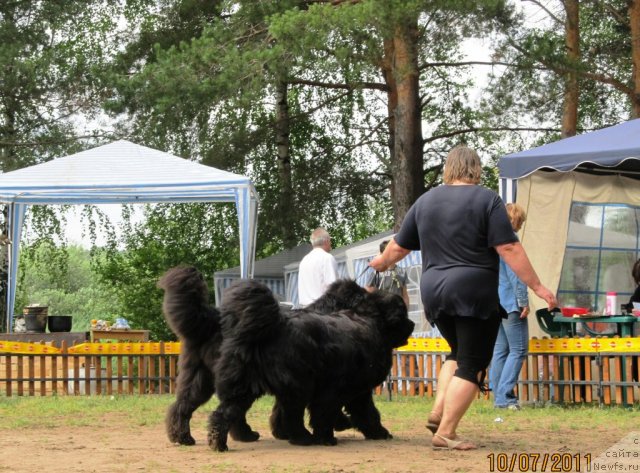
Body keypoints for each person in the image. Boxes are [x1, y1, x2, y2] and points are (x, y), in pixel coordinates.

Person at [370, 146, 557, 451]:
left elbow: (398, 247)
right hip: (473, 291)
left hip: (434, 293)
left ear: (448, 168)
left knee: (457, 352)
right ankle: (446, 431)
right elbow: (508, 248)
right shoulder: (487, 199)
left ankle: (438, 409)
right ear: (476, 168)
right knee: (472, 364)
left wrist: (379, 264)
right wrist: (538, 287)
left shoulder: (425, 201)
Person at [490, 203, 529, 411]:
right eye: (520, 220)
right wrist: (523, 301)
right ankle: (505, 398)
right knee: (519, 349)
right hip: (510, 303)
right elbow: (518, 275)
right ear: (514, 219)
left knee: (500, 350)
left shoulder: (491, 242)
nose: (521, 224)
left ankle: (498, 395)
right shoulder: (510, 243)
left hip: (494, 303)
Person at [297, 227, 339, 307]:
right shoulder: (327, 257)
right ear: (326, 241)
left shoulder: (304, 260)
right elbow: (334, 287)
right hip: (322, 310)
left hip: (305, 310)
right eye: (330, 240)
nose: (330, 243)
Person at [365, 240, 410, 307]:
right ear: (382, 254)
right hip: (383, 310)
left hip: (398, 310)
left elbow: (404, 294)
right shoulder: (376, 272)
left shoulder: (402, 271)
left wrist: (406, 309)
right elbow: (368, 290)